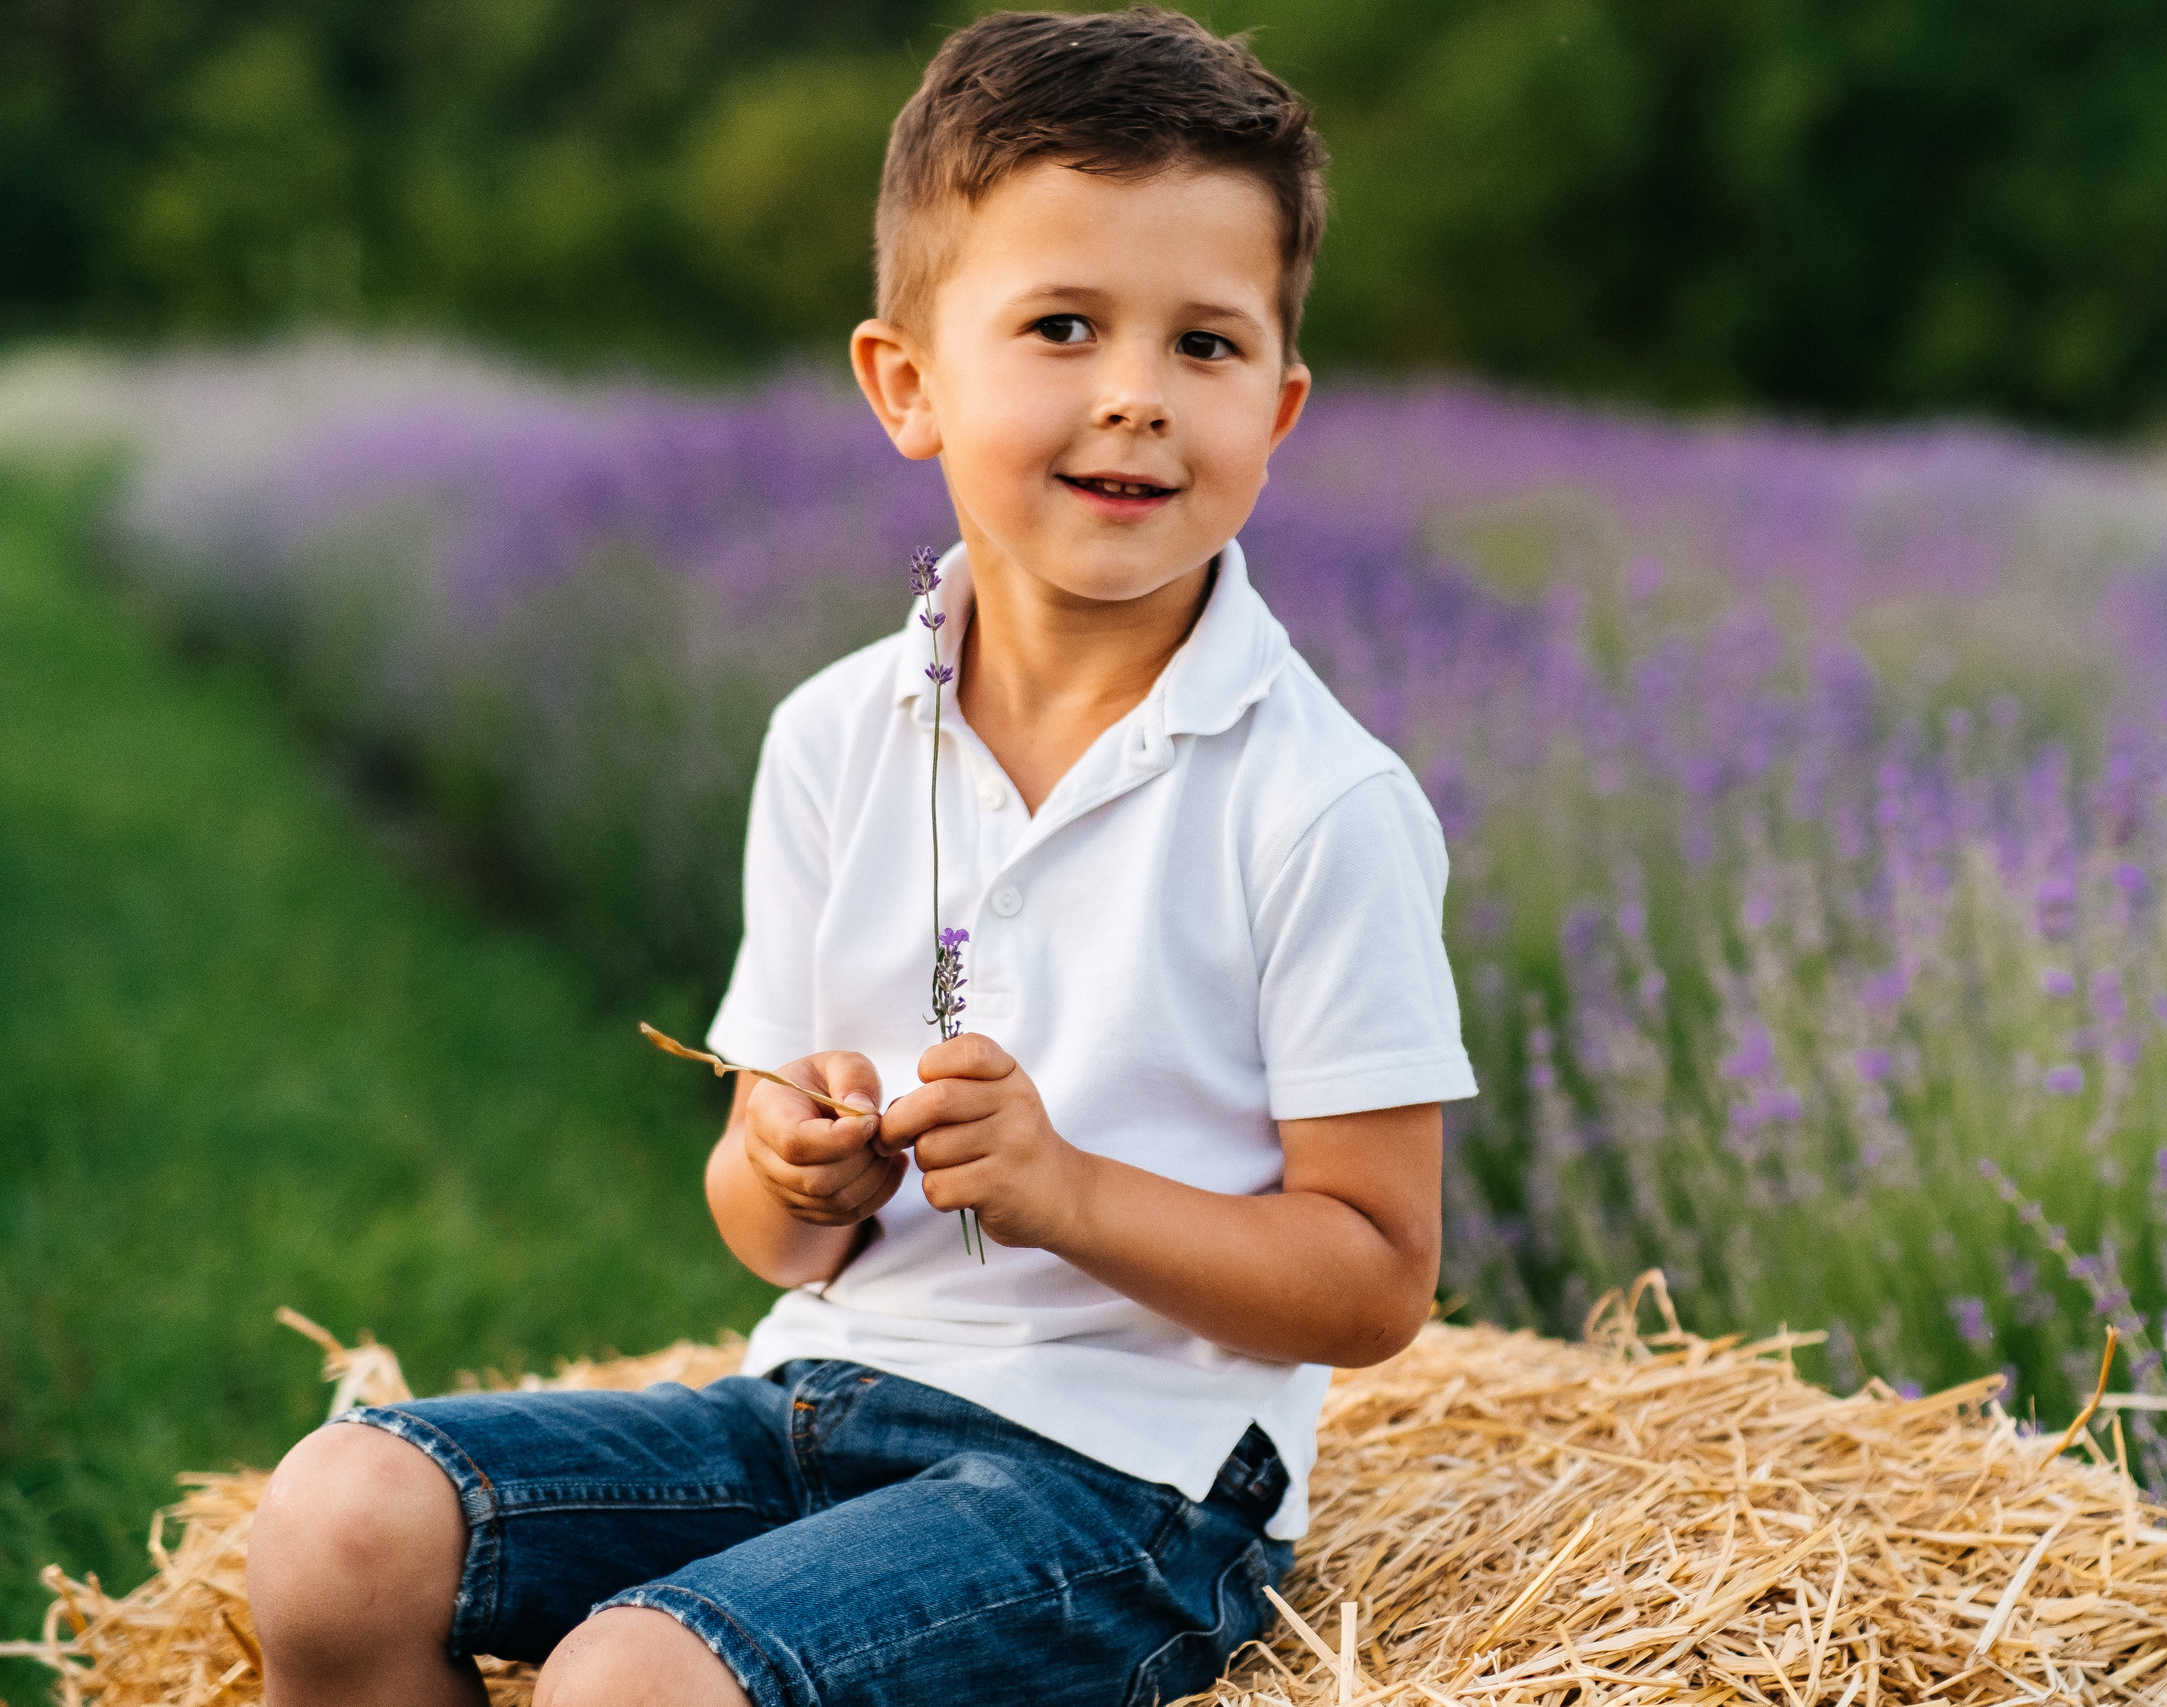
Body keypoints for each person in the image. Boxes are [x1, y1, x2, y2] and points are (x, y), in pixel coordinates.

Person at [242, 9, 1478, 1706]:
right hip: (818, 1404)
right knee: (336, 1518)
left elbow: (1372, 1279)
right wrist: (791, 1162)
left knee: (633, 1685)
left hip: (1130, 1484)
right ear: (909, 384)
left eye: (1207, 345)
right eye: (1063, 326)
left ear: (1280, 408)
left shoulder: (1318, 802)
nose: (1137, 393)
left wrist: (1069, 1193)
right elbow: (769, 1238)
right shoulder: (837, 737)